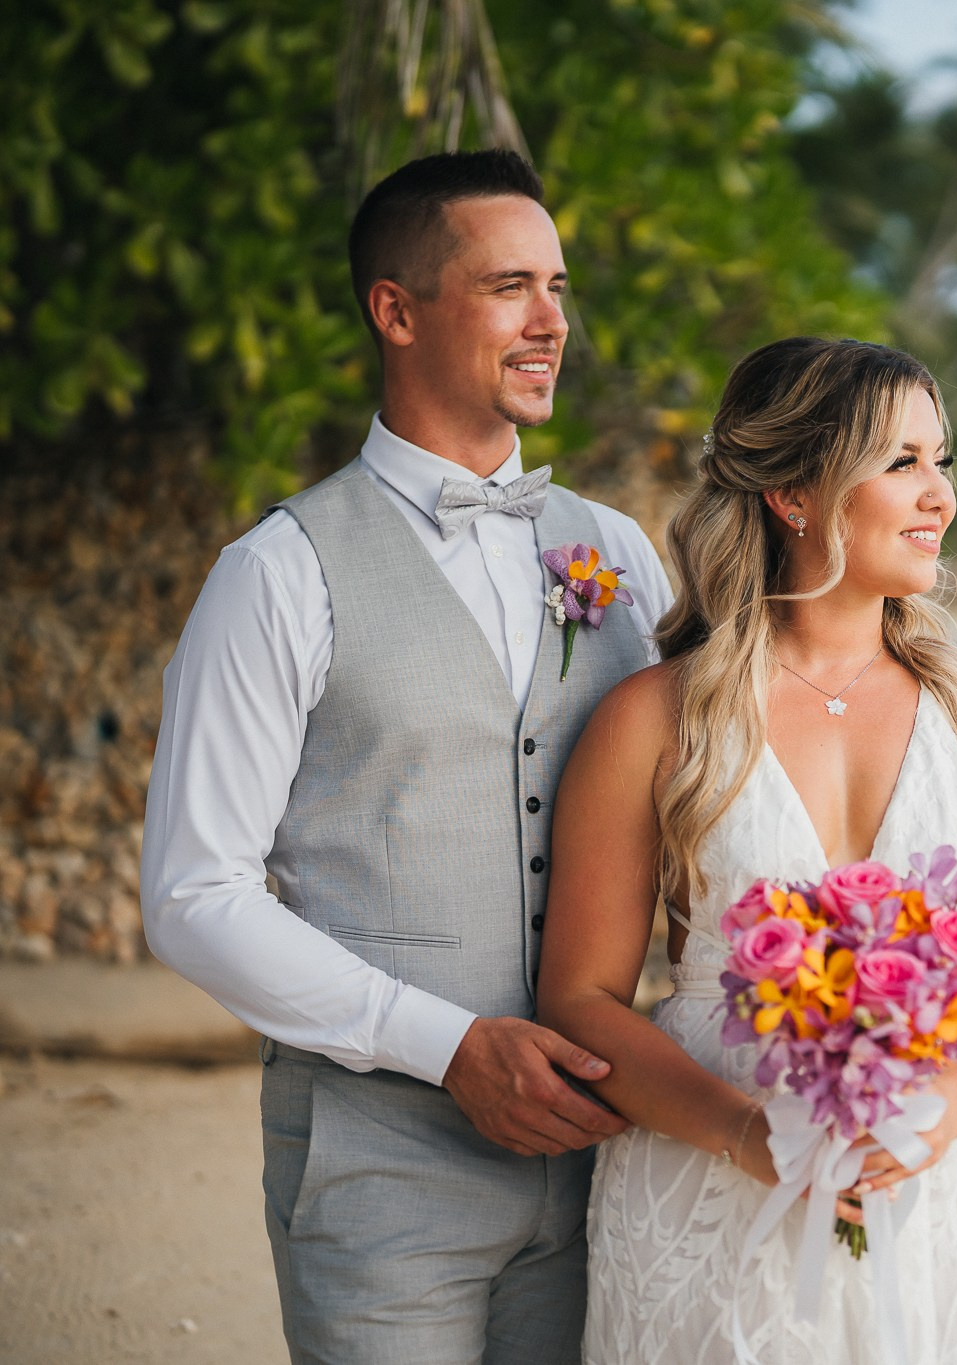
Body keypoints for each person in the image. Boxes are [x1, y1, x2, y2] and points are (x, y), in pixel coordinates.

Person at [140, 149, 671, 1362]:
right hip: (380, 1176)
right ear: (395, 309)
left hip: (605, 1166)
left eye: (558, 286)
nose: (554, 323)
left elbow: (694, 812)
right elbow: (191, 896)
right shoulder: (277, 574)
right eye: (509, 289)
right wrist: (450, 1047)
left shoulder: (621, 554)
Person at [535, 337, 957, 1363]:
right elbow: (581, 997)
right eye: (901, 462)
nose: (938, 497)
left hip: (933, 1182)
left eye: (942, 463)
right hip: (707, 1179)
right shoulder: (654, 720)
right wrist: (746, 1133)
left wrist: (928, 1118)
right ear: (792, 491)